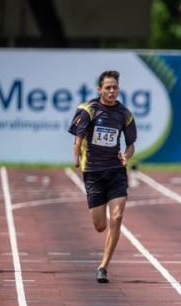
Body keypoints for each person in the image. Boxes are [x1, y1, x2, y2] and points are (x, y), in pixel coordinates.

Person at [68, 70, 137, 283]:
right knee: (100, 226)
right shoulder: (88, 109)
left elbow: (131, 144)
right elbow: (78, 139)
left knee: (116, 217)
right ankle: (103, 242)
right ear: (99, 89)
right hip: (94, 173)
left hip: (116, 171)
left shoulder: (125, 114)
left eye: (115, 87)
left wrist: (125, 156)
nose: (112, 91)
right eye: (108, 87)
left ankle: (103, 266)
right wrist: (77, 160)